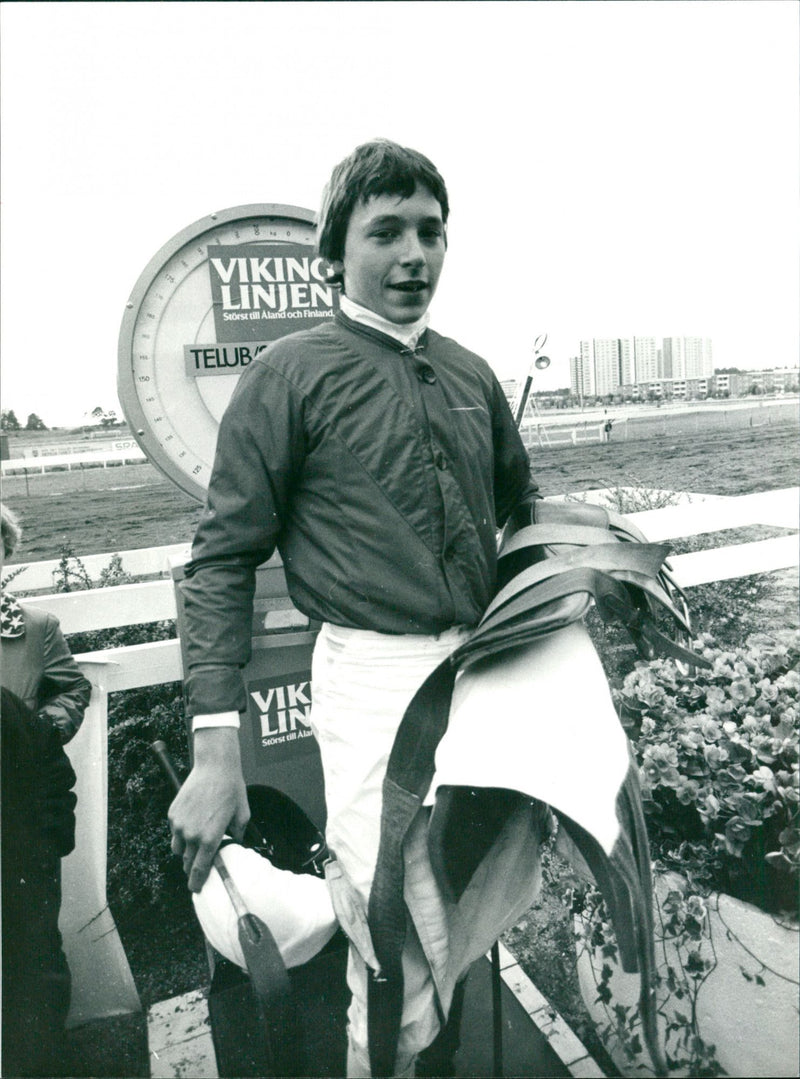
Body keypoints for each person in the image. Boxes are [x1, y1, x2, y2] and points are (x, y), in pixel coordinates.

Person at [168, 139, 542, 1076]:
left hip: (481, 670)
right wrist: (217, 755)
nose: (415, 253)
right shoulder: (290, 373)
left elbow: (521, 519)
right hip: (373, 682)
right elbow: (218, 561)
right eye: (387, 232)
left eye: (431, 231)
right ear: (334, 254)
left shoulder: (470, 373)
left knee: (461, 911)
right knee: (389, 928)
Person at [1, 504, 92, 744]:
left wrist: (41, 732)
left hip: (15, 775)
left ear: (5, 550)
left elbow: (74, 688)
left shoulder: (37, 627)